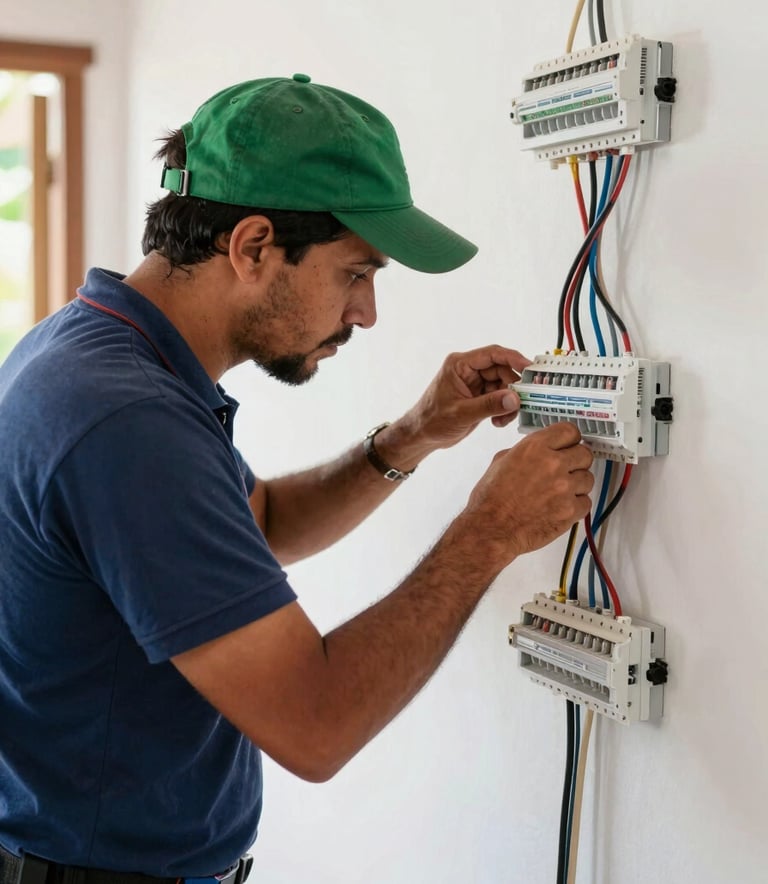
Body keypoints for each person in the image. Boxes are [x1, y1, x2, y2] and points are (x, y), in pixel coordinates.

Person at [0, 74, 593, 882]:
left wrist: (413, 436)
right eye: (356, 273)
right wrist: (489, 531)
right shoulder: (126, 421)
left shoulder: (99, 351)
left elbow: (263, 521)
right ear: (251, 247)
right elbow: (316, 726)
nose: (367, 313)